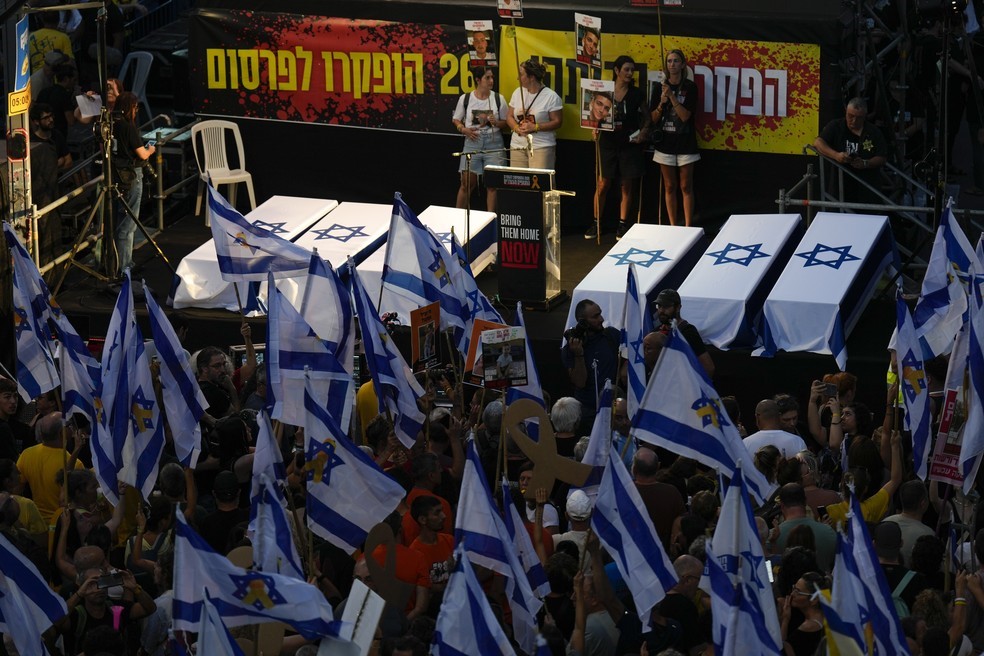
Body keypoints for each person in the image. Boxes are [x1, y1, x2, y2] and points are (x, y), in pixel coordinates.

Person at [588, 55, 649, 242]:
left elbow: (647, 118)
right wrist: (593, 127)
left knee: (626, 185)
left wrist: (644, 132)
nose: (630, 73)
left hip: (629, 143)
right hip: (607, 142)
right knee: (603, 184)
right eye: (626, 70)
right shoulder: (604, 91)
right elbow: (592, 113)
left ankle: (622, 224)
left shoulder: (637, 93)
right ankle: (596, 222)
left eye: (632, 70)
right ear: (617, 71)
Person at [651, 49, 699, 226]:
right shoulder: (659, 88)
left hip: (686, 143)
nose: (672, 64)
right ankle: (672, 226)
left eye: (676, 61)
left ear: (683, 65)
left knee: (686, 186)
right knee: (669, 186)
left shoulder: (690, 87)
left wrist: (672, 97)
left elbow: (686, 116)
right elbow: (653, 119)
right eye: (669, 61)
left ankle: (688, 226)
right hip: (665, 143)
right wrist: (661, 104)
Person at [812, 97, 888, 206]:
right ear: (846, 112)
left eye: (859, 118)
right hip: (840, 187)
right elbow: (818, 142)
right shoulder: (836, 126)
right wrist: (836, 155)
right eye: (850, 116)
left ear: (865, 116)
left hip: (866, 188)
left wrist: (866, 163)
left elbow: (882, 157)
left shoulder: (873, 132)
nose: (854, 121)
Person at [111, 91, 155, 277]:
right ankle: (125, 266)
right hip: (131, 174)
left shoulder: (112, 125)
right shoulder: (128, 127)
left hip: (117, 174)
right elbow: (142, 154)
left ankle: (123, 263)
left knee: (122, 220)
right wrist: (151, 149)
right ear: (132, 107)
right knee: (129, 224)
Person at [453, 66, 507, 211]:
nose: (491, 81)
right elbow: (456, 119)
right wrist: (463, 129)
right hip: (472, 140)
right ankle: (457, 218)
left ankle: (491, 221)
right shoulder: (466, 98)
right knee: (466, 184)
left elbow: (506, 121)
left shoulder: (498, 98)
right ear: (478, 80)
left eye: (492, 77)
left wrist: (497, 122)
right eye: (487, 78)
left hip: (493, 142)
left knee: (493, 185)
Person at [561, 299, 620, 429]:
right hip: (588, 412)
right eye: (595, 316)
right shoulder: (570, 349)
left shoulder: (611, 335)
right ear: (582, 321)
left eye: (600, 314)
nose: (601, 319)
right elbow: (580, 382)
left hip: (613, 408)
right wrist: (579, 354)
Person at [506, 59, 563, 170]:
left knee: (540, 184)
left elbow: (557, 122)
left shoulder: (551, 96)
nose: (518, 78)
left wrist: (536, 127)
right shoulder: (517, 92)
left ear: (531, 77)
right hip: (517, 145)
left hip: (541, 146)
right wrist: (516, 127)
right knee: (519, 182)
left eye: (521, 75)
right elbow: (509, 116)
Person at [654, 288, 714, 378]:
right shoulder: (656, 332)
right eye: (659, 306)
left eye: (666, 306)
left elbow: (708, 368)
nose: (661, 310)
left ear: (678, 307)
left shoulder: (688, 332)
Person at [742, 399, 807, 458]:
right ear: (779, 416)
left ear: (757, 417)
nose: (792, 423)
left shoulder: (745, 444)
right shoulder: (797, 442)